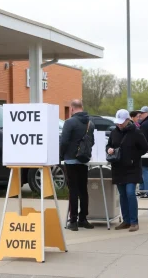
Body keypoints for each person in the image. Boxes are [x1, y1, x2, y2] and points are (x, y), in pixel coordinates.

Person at [106, 109, 148, 232]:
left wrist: (133, 157)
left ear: (127, 120)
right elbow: (109, 145)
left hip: (132, 167)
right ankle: (126, 220)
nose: (119, 124)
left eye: (121, 122)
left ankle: (134, 221)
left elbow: (145, 147)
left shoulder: (136, 132)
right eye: (118, 122)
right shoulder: (114, 132)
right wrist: (109, 149)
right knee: (122, 194)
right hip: (118, 167)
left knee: (130, 192)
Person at [60, 99, 95, 231]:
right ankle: (83, 218)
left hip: (70, 159)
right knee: (83, 190)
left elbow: (64, 141)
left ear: (72, 108)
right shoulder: (90, 123)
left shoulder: (69, 122)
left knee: (73, 190)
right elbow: (92, 142)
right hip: (84, 160)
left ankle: (73, 220)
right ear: (82, 107)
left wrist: (61, 155)